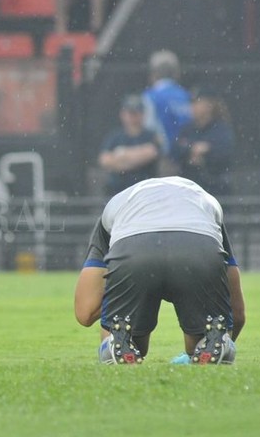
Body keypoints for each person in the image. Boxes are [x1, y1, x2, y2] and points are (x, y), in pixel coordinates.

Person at [74, 176, 246, 365]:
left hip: (134, 251)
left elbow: (86, 311)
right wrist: (225, 332)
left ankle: (121, 343)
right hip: (197, 249)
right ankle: (211, 344)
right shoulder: (206, 204)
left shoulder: (117, 207)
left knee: (129, 340)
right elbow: (236, 312)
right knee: (204, 339)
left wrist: (128, 297)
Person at [173, 88, 235, 197]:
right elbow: (176, 150)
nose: (192, 107)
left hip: (215, 189)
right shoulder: (187, 129)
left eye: (196, 102)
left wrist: (206, 156)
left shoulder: (220, 129)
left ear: (209, 106)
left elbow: (223, 153)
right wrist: (192, 150)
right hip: (189, 189)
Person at [98, 94, 161, 196]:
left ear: (143, 114)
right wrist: (135, 159)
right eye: (129, 113)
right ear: (122, 114)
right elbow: (104, 160)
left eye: (136, 113)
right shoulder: (115, 137)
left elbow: (151, 153)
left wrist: (121, 155)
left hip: (144, 193)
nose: (132, 117)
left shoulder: (150, 136)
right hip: (117, 192)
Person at [142, 49, 191, 156]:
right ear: (176, 73)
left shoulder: (151, 95)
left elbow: (147, 126)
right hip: (185, 152)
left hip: (161, 154)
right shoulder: (185, 95)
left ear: (153, 74)